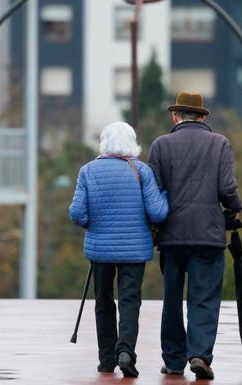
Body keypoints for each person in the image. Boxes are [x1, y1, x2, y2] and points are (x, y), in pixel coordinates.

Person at [148, 92, 242, 380]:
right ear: (202, 116)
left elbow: (152, 194)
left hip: (172, 235)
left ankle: (174, 359)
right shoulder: (219, 143)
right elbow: (227, 188)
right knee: (204, 297)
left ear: (176, 116)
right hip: (208, 233)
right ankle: (200, 354)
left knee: (172, 297)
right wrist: (235, 207)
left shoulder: (160, 145)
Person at [69, 122, 169, 378]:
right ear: (132, 143)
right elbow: (158, 212)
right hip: (134, 251)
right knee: (129, 300)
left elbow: (77, 214)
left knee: (103, 301)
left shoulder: (88, 171)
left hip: (100, 250)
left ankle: (105, 359)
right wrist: (166, 195)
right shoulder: (141, 170)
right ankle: (125, 352)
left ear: (104, 142)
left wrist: (95, 224)